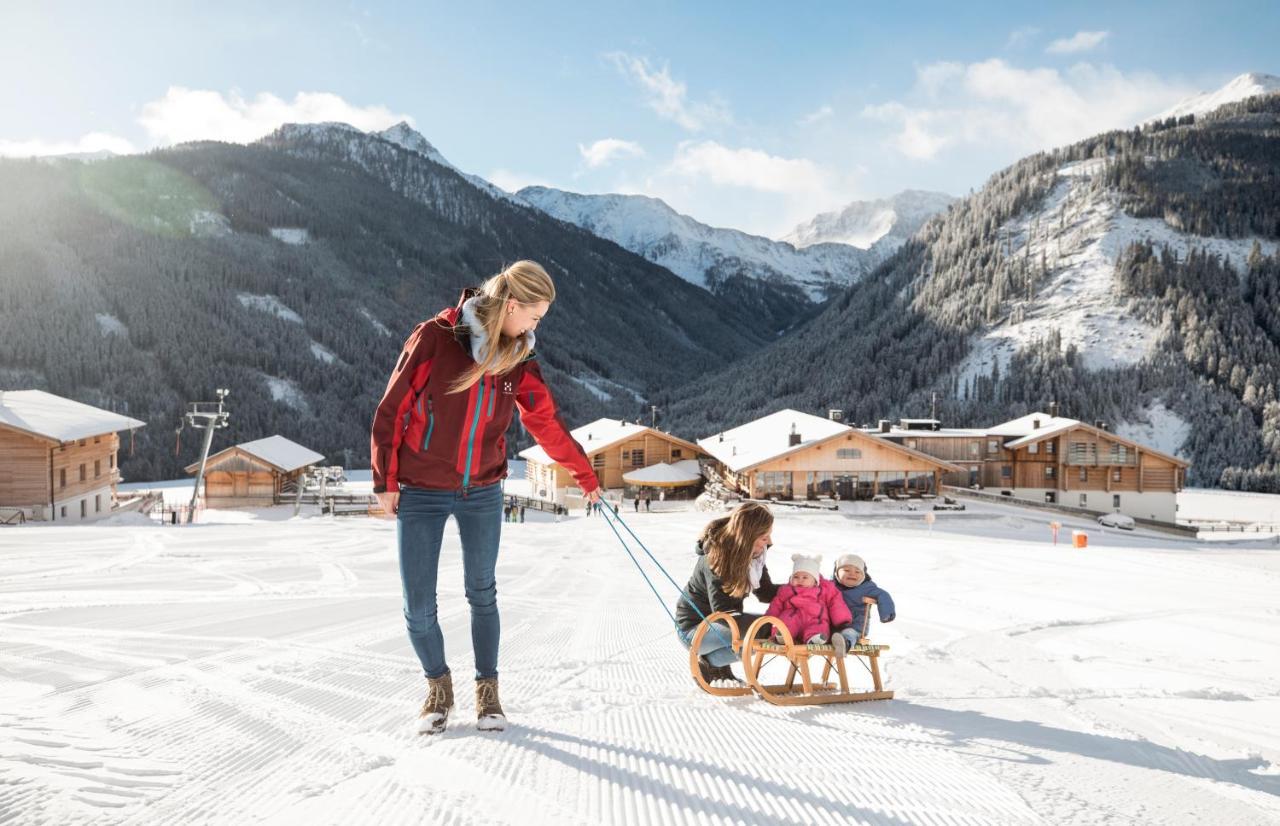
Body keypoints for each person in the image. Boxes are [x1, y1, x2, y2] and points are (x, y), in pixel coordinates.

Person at [371, 260, 602, 735]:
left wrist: (585, 474)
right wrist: (385, 480)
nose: (536, 327)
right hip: (422, 490)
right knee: (418, 604)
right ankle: (438, 686)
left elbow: (546, 424)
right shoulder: (435, 338)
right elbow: (392, 409)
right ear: (513, 304)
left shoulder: (517, 358)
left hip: (482, 492)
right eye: (534, 317)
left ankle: (488, 692)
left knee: (482, 593)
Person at [674, 502, 779, 683]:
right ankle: (711, 662)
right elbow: (722, 614)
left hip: (719, 628)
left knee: (766, 633)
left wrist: (802, 589)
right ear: (748, 536)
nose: (769, 542)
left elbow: (766, 593)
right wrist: (766, 625)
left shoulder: (753, 559)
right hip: (693, 629)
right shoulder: (716, 558)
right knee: (764, 630)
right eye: (764, 537)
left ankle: (711, 664)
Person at [765, 554, 852, 648]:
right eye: (796, 577)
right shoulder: (786, 590)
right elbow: (776, 604)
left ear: (815, 581)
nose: (800, 580)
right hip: (793, 615)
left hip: (815, 618)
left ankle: (814, 638)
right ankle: (783, 635)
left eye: (805, 577)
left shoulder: (825, 590)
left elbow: (835, 601)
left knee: (820, 626)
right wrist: (769, 619)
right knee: (786, 621)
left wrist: (841, 619)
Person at [832, 554, 896, 654]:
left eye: (857, 571)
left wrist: (887, 614)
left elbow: (883, 595)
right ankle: (814, 637)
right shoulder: (829, 586)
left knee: (849, 633)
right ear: (836, 573)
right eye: (847, 570)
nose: (852, 574)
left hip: (855, 626)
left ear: (863, 575)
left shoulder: (867, 588)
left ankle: (845, 643)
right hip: (832, 626)